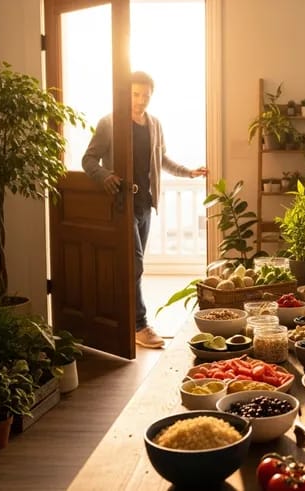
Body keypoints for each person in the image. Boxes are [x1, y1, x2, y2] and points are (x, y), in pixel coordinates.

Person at [82, 71, 207, 349]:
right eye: (136, 94)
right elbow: (88, 160)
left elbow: (160, 158)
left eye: (146, 96)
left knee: (131, 266)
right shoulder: (109, 123)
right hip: (121, 205)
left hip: (144, 206)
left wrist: (188, 172)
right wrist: (105, 176)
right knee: (135, 264)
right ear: (126, 94)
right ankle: (139, 325)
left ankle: (121, 321)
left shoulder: (154, 124)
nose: (141, 100)